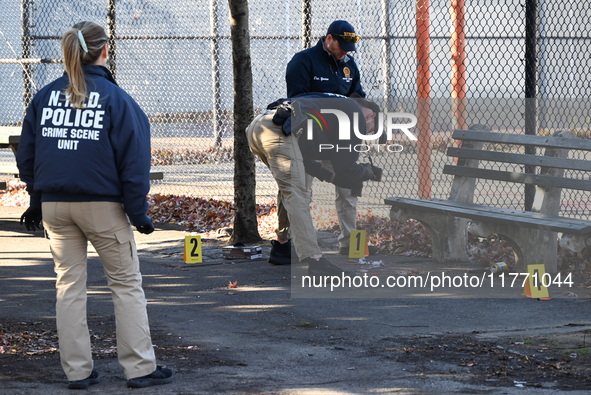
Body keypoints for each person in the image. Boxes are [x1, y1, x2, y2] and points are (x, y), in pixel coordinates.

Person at [16, 21, 173, 389]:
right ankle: (139, 367)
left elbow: (28, 154)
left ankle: (78, 371)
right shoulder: (117, 100)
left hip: (55, 206)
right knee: (126, 285)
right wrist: (138, 213)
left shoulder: (45, 96)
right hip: (102, 206)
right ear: (105, 51)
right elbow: (134, 163)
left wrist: (36, 197)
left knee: (68, 286)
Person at [246, 93, 382, 273]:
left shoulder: (329, 108)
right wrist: (367, 171)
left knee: (289, 189)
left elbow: (307, 161)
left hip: (260, 126)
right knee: (297, 194)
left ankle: (281, 247)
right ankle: (316, 261)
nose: (366, 134)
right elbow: (346, 168)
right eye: (371, 130)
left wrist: (331, 177)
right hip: (281, 130)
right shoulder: (354, 114)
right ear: (371, 116)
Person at [282, 20, 377, 261]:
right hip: (310, 138)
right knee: (300, 189)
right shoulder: (303, 61)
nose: (345, 51)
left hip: (342, 138)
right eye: (341, 45)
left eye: (349, 47)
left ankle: (349, 241)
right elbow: (297, 102)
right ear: (328, 39)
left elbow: (357, 96)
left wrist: (365, 112)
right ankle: (287, 240)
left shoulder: (349, 65)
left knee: (348, 187)